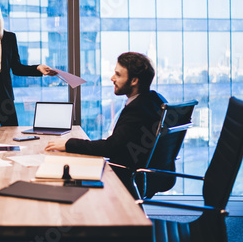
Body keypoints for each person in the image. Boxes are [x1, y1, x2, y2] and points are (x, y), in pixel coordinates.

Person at [45, 52, 169, 198]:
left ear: (134, 80)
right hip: (145, 173)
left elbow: (111, 147)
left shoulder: (137, 110)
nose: (112, 78)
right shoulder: (154, 100)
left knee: (59, 174)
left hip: (125, 174)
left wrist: (68, 144)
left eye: (118, 74)